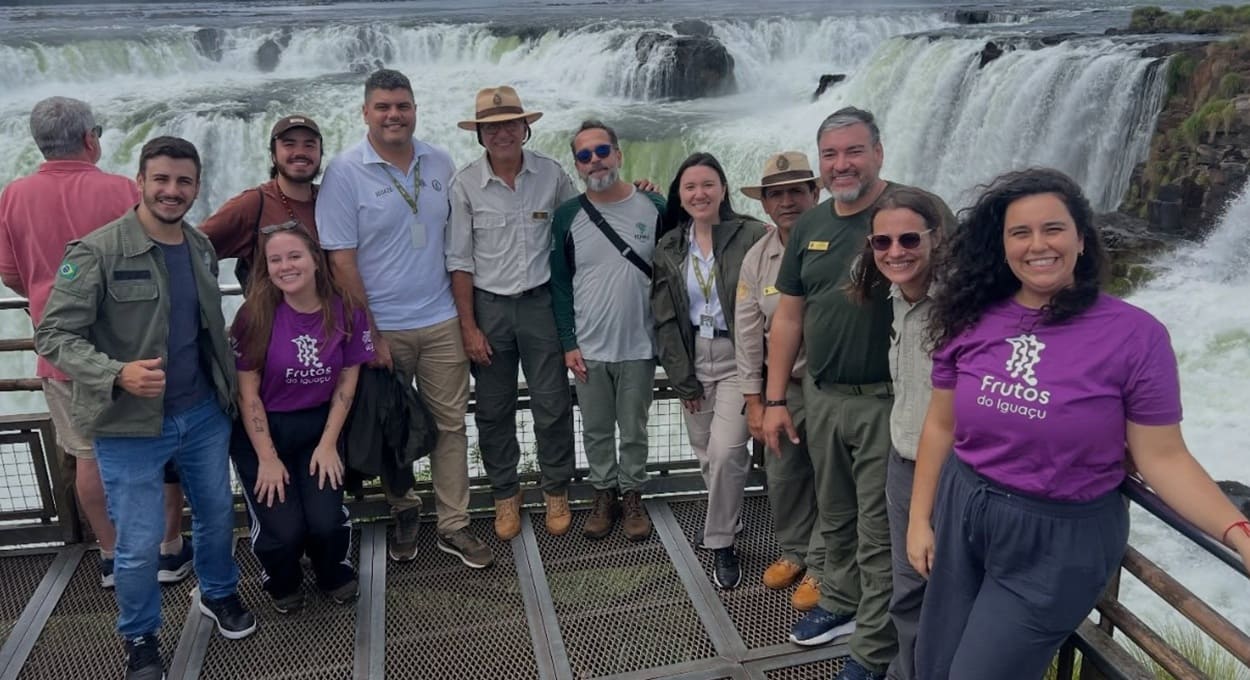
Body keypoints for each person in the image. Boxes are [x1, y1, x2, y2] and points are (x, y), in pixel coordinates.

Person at [907, 168, 1250, 680]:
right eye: (1020, 233)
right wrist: (919, 520)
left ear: (1082, 240)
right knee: (933, 666)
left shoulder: (1136, 337)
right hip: (964, 508)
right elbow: (940, 427)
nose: (1037, 245)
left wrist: (1238, 532)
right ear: (1001, 247)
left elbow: (1164, 457)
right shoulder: (972, 317)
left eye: (1054, 229)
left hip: (1058, 539)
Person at [35, 136, 256, 680]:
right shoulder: (97, 251)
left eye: (183, 182)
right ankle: (140, 636)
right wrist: (117, 373)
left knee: (214, 515)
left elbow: (208, 330)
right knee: (135, 544)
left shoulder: (201, 246)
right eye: (161, 179)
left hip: (203, 412)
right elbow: (53, 335)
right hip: (129, 425)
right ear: (140, 181)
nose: (171, 191)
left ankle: (219, 593)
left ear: (197, 187)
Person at [760, 107, 952, 680]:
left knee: (878, 529)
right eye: (830, 154)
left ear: (879, 153)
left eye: (853, 151)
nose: (841, 164)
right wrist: (774, 400)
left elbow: (963, 294)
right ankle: (841, 602)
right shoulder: (813, 224)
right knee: (835, 511)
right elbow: (790, 316)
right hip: (821, 394)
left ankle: (873, 649)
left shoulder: (916, 212)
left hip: (886, 401)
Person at [0, 97, 192, 590]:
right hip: (140, 349)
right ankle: (169, 549)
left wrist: (47, 295)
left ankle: (111, 555)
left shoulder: (14, 195)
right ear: (90, 138)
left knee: (88, 453)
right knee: (158, 448)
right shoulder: (120, 188)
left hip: (64, 354)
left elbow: (9, 273)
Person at [316, 69, 494, 568]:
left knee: (451, 425)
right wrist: (369, 333)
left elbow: (457, 241)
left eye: (402, 105)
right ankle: (405, 508)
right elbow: (341, 259)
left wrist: (464, 319)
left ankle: (454, 525)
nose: (394, 115)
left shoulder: (439, 159)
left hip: (440, 320)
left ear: (415, 108)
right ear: (365, 112)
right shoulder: (345, 172)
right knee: (394, 426)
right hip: (384, 326)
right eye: (383, 107)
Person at [445, 86, 577, 540]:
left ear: (526, 127)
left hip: (541, 304)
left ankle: (555, 489)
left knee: (552, 403)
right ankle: (506, 493)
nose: (501, 133)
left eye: (509, 124)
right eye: (491, 126)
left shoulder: (552, 175)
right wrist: (468, 327)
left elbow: (578, 235)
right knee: (493, 409)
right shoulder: (464, 183)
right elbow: (459, 261)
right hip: (490, 309)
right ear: (480, 134)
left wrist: (643, 196)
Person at [229, 221, 372, 613]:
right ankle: (282, 578)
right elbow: (248, 393)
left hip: (318, 427)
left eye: (294, 256)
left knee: (326, 521)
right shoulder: (254, 316)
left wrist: (329, 444)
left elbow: (347, 380)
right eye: (275, 259)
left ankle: (332, 571)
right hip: (264, 432)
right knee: (283, 530)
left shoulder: (345, 310)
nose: (285, 266)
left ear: (314, 260)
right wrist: (267, 458)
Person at [845, 188, 946, 680]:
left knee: (948, 593)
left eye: (909, 239)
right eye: (882, 243)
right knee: (909, 592)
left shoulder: (959, 307)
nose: (895, 251)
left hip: (954, 474)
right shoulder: (896, 298)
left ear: (935, 238)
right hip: (903, 465)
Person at [653, 152, 766, 589]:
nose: (699, 193)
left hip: (739, 355)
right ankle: (730, 521)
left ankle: (720, 542)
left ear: (723, 188)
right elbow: (663, 317)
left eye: (707, 184)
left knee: (725, 452)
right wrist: (682, 376)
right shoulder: (669, 247)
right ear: (679, 196)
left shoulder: (753, 235)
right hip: (693, 357)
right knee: (706, 455)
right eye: (689, 187)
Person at [549, 120, 665, 541]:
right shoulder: (567, 217)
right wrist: (569, 342)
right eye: (584, 156)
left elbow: (680, 257)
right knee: (596, 428)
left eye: (601, 151)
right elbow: (560, 285)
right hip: (589, 347)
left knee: (633, 428)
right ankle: (604, 494)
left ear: (618, 154)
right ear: (577, 166)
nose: (594, 161)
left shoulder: (655, 206)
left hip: (639, 342)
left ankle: (632, 494)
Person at [734, 151, 824, 609]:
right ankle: (794, 552)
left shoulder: (845, 240)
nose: (787, 201)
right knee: (784, 473)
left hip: (832, 384)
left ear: (816, 193)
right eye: (777, 194)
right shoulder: (758, 257)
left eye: (796, 190)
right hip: (782, 388)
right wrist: (755, 401)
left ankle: (825, 568)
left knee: (833, 478)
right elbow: (749, 333)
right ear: (765, 204)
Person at [200, 114, 323, 289]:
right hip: (269, 316)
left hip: (330, 314)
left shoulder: (331, 199)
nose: (300, 152)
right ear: (273, 155)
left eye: (309, 145)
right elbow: (193, 248)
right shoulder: (252, 204)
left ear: (320, 153)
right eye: (289, 144)